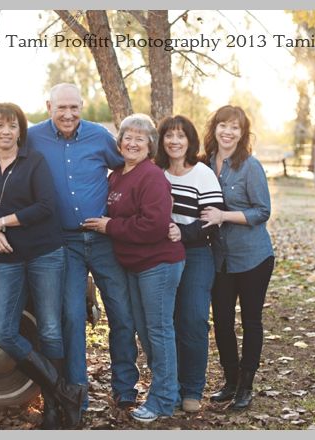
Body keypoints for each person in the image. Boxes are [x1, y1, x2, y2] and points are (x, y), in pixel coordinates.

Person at [0, 103, 85, 429]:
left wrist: (1, 222)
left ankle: (52, 410)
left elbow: (46, 206)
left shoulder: (34, 161)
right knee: (3, 332)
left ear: (20, 130)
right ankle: (65, 392)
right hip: (7, 256)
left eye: (12, 125)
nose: (6, 131)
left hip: (45, 252)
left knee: (49, 328)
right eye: (0, 125)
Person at [26, 84, 140, 412]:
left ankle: (125, 388)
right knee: (72, 317)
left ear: (82, 106)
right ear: (49, 106)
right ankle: (77, 394)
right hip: (65, 242)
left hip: (104, 238)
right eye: (61, 107)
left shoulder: (99, 135)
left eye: (74, 107)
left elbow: (129, 167)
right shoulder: (33, 138)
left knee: (122, 313)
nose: (68, 114)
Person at [84, 114, 186, 423]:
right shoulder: (117, 175)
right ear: (119, 143)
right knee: (146, 331)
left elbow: (154, 226)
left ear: (150, 145)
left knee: (158, 331)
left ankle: (163, 400)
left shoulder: (151, 176)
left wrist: (110, 226)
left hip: (159, 263)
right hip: (134, 265)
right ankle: (168, 391)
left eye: (140, 139)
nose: (132, 143)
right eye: (127, 137)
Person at [199, 105, 275, 410]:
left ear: (242, 134)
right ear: (214, 128)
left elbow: (262, 211)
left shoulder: (250, 166)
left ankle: (246, 386)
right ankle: (230, 381)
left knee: (251, 321)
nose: (228, 132)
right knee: (222, 322)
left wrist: (224, 216)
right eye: (223, 125)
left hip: (254, 257)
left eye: (235, 128)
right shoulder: (204, 164)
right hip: (220, 259)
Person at [155, 115, 225, 414]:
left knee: (193, 319)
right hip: (160, 253)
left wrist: (182, 232)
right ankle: (169, 387)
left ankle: (192, 389)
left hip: (196, 253)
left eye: (180, 135)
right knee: (165, 321)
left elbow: (212, 220)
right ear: (161, 141)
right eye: (169, 135)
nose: (174, 141)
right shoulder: (156, 172)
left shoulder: (202, 174)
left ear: (190, 140)